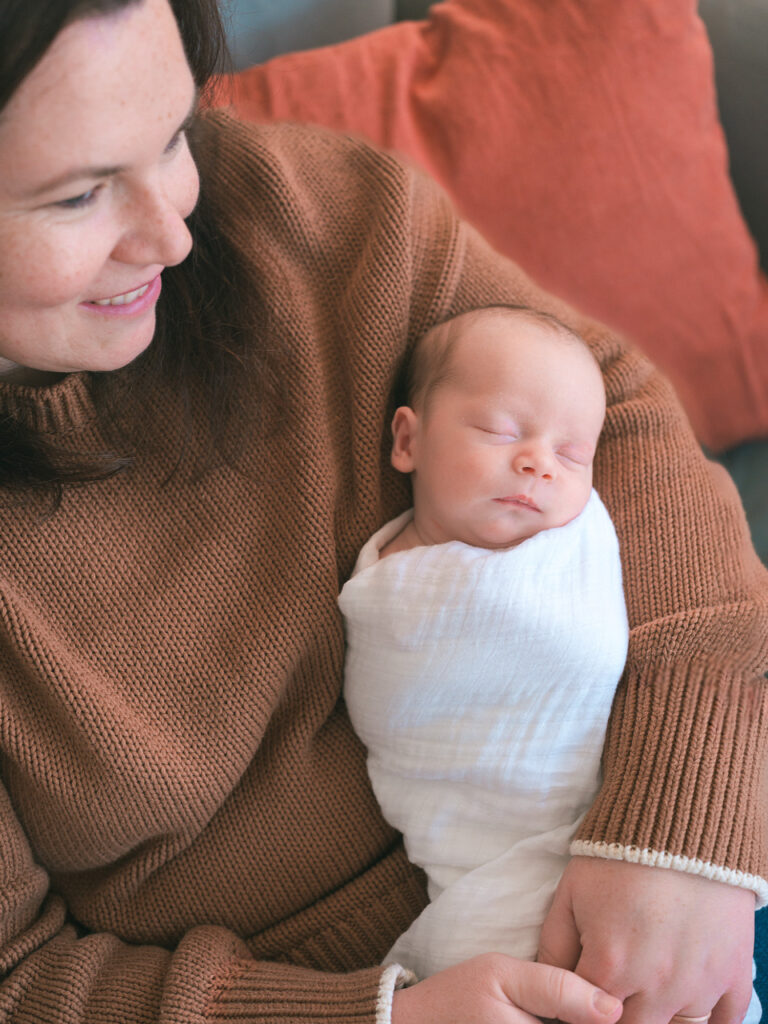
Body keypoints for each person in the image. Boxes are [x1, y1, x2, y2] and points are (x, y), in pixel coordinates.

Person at [0, 2, 765, 1024]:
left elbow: (614, 413)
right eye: (80, 194)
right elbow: (19, 976)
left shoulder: (315, 215)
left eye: (176, 134)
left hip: (638, 828)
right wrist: (385, 1016)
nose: (176, 232)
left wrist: (682, 824)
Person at [339, 304, 633, 976]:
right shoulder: (394, 594)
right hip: (489, 859)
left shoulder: (574, 546)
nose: (539, 464)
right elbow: (396, 711)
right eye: (501, 431)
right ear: (408, 442)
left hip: (619, 818)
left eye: (571, 454)